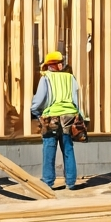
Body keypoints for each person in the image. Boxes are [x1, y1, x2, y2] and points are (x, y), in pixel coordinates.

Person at [29, 51, 85, 191]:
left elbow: (39, 99)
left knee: (49, 149)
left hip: (51, 117)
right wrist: (78, 115)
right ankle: (71, 182)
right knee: (68, 148)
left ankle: (48, 181)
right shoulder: (70, 78)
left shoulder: (46, 78)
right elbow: (76, 99)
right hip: (69, 116)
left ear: (49, 65)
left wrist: (35, 111)